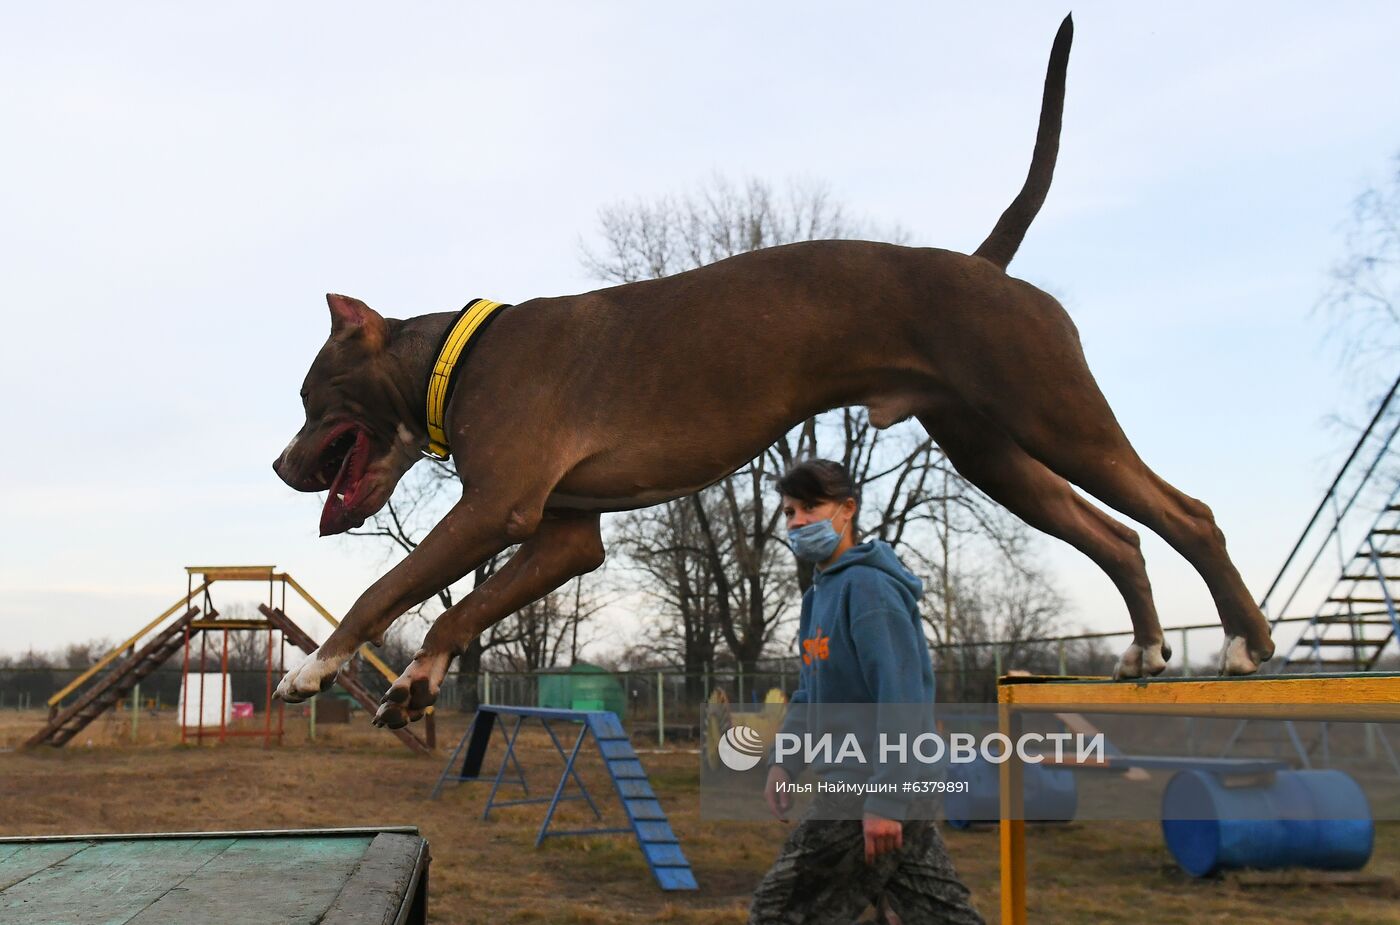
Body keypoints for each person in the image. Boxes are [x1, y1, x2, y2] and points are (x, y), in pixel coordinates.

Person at [748, 458, 984, 925]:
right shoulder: (819, 596)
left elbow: (901, 700)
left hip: (868, 783)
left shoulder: (869, 589)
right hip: (878, 784)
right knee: (934, 914)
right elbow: (811, 693)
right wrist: (785, 760)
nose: (796, 522)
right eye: (789, 512)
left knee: (779, 912)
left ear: (848, 508)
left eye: (810, 507)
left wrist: (885, 799)